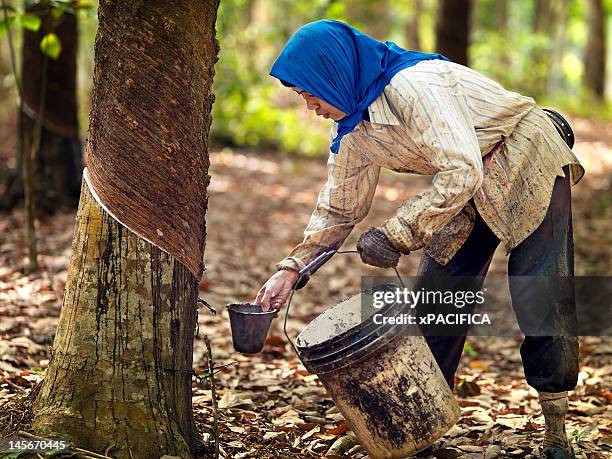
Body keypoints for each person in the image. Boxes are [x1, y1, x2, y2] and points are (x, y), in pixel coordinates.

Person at [254, 19, 584, 459]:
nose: (309, 105)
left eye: (310, 91)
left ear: (333, 72)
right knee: (437, 296)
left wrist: (398, 231)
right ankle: (423, 421)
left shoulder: (414, 85)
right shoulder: (356, 127)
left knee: (538, 288)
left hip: (525, 152)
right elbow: (339, 208)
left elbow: (462, 168)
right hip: (467, 178)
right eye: (301, 96)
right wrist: (291, 269)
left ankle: (557, 431)